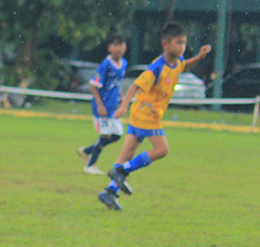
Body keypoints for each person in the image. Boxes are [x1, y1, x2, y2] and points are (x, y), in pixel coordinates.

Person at [97, 22, 211, 211]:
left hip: (143, 113)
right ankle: (121, 171)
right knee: (161, 150)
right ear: (165, 44)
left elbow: (185, 65)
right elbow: (135, 85)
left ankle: (109, 192)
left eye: (184, 43)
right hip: (146, 113)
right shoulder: (157, 67)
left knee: (128, 153)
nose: (182, 47)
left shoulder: (177, 63)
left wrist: (199, 56)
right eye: (178, 43)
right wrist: (124, 106)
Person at [78, 34, 128, 175]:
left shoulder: (124, 63)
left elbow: (117, 83)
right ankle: (90, 165)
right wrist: (100, 106)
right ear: (109, 48)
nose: (118, 48)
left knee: (117, 135)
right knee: (105, 136)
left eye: (121, 45)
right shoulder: (105, 65)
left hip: (113, 106)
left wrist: (122, 97)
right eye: (115, 45)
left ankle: (86, 151)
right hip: (103, 107)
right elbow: (93, 85)